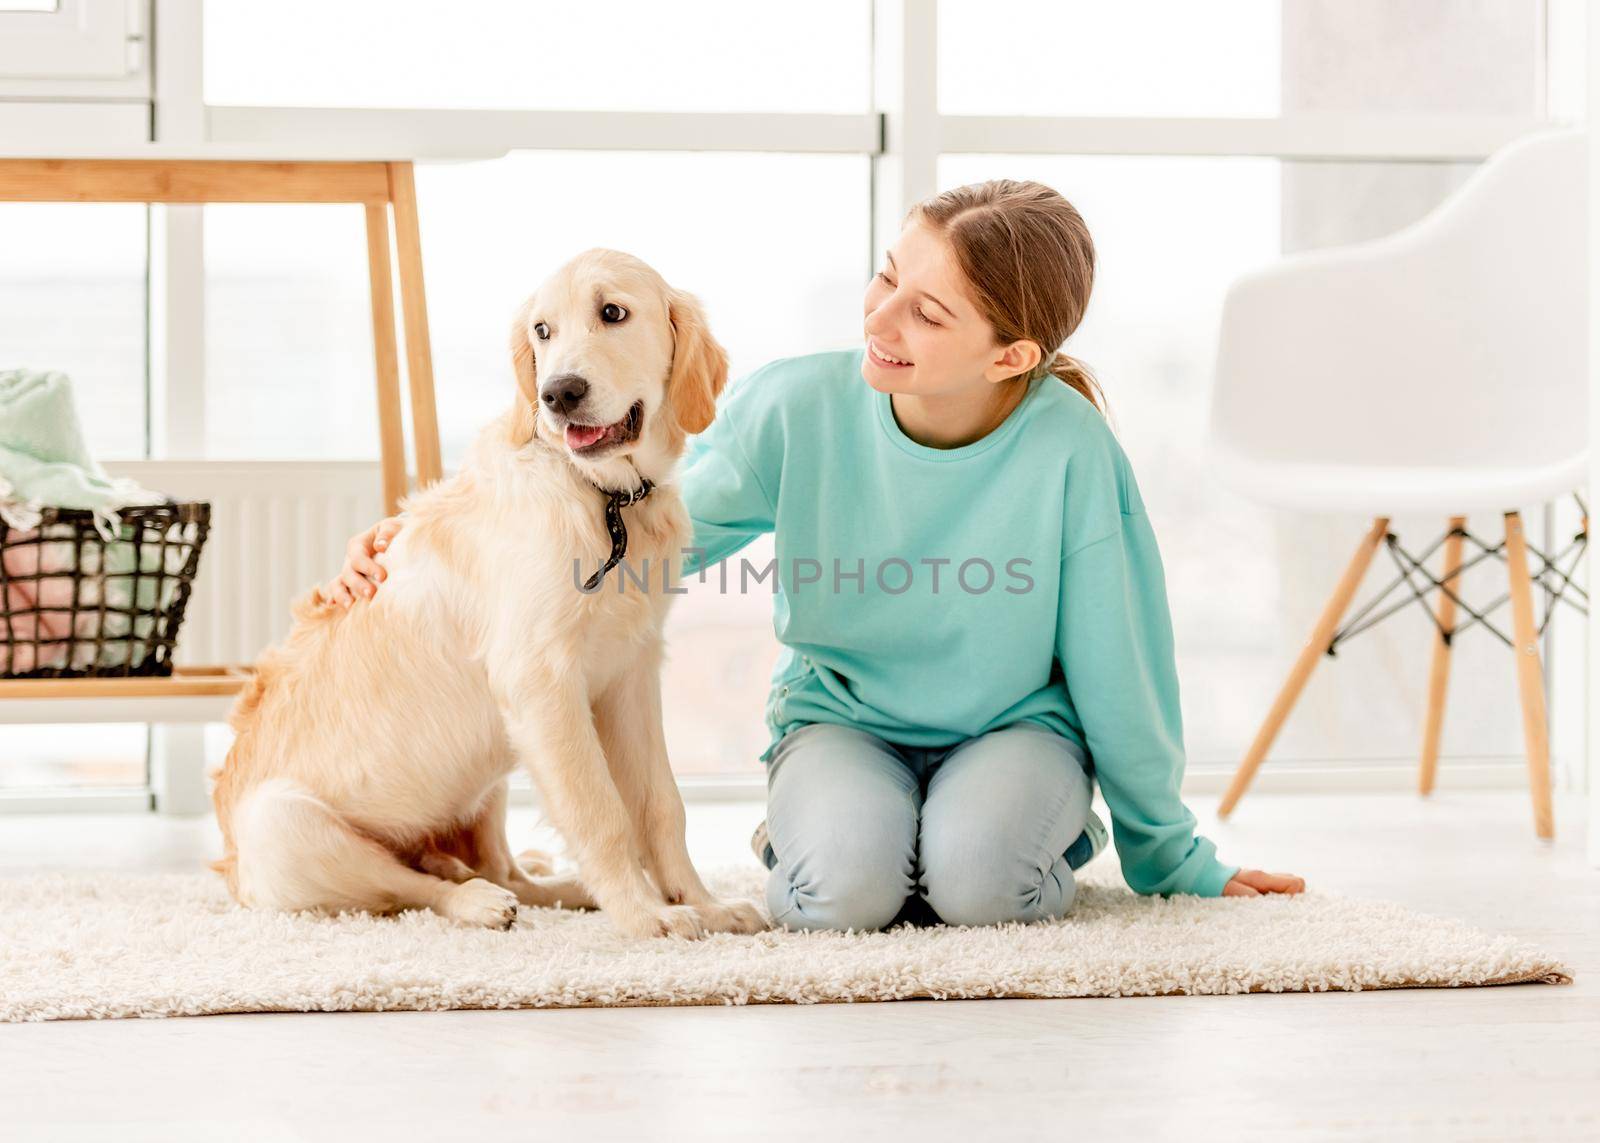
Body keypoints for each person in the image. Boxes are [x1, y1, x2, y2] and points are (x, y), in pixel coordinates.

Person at [326, 179, 1305, 933]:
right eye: (888, 277)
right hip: (843, 725)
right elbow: (633, 533)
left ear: (1011, 355)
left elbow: (1120, 668)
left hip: (1014, 732)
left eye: (929, 313)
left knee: (980, 885)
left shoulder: (1071, 452)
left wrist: (1172, 859)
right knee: (837, 894)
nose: (879, 320)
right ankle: (852, 834)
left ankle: (965, 843)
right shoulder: (798, 407)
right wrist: (420, 549)